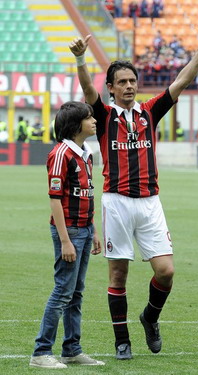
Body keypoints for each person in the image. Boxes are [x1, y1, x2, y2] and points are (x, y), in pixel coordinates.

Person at [69, 26, 198, 360]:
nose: (129, 86)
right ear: (110, 88)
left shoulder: (150, 112)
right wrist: (80, 57)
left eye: (132, 81)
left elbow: (181, 81)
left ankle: (150, 318)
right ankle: (122, 341)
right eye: (121, 82)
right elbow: (86, 87)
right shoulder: (104, 117)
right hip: (117, 202)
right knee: (118, 274)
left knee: (166, 271)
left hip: (150, 203)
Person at [29, 101, 105, 369]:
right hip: (69, 232)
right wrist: (65, 240)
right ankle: (41, 352)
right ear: (75, 125)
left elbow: (87, 195)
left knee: (77, 292)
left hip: (84, 229)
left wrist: (93, 229)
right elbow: (55, 199)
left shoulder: (86, 153)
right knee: (63, 291)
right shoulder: (61, 154)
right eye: (89, 118)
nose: (94, 121)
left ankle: (72, 349)